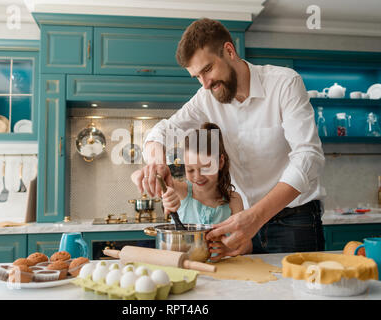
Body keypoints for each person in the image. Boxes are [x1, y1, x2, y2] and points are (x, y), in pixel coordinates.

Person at [134, 17, 326, 256]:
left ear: (229, 50)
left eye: (207, 69)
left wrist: (255, 217)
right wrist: (156, 161)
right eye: (197, 77)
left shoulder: (284, 83)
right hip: (241, 224)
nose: (204, 84)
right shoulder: (206, 98)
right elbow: (161, 131)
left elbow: (308, 157)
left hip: (296, 220)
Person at [131, 122, 252, 261]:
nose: (197, 176)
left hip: (224, 272)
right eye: (190, 170)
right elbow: (135, 175)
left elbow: (247, 246)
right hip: (185, 270)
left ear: (221, 162)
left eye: (206, 168)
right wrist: (149, 176)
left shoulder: (234, 200)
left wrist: (229, 249)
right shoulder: (181, 191)